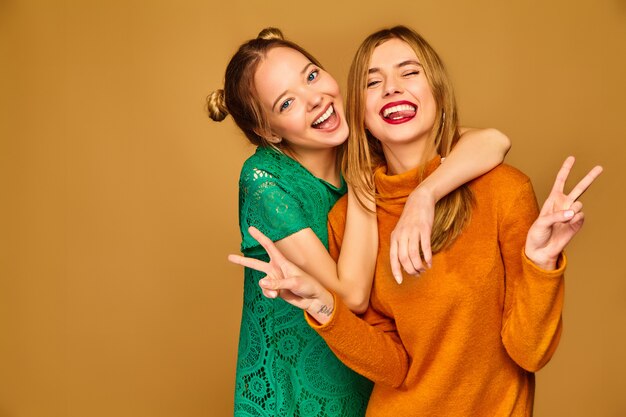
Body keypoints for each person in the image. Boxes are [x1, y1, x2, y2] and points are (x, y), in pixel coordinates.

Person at [228, 26, 603, 416]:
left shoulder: (503, 190)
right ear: (362, 115)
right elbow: (386, 354)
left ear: (438, 91)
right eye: (373, 82)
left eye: (410, 73)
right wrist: (324, 306)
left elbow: (529, 353)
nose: (392, 88)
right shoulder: (332, 204)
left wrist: (540, 264)